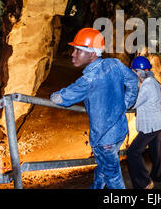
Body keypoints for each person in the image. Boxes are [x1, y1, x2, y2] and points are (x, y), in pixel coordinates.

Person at [50, 27, 139, 189]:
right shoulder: (115, 64)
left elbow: (61, 98)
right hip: (119, 130)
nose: (73, 54)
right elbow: (133, 79)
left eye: (78, 50)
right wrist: (126, 103)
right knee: (105, 166)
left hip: (105, 139)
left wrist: (52, 95)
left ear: (92, 53)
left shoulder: (88, 80)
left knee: (113, 176)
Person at [126, 56, 161, 189]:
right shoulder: (153, 81)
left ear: (138, 71)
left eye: (133, 71)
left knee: (132, 152)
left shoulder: (146, 86)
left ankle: (145, 182)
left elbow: (132, 104)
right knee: (156, 151)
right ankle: (159, 177)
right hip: (159, 122)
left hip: (152, 125)